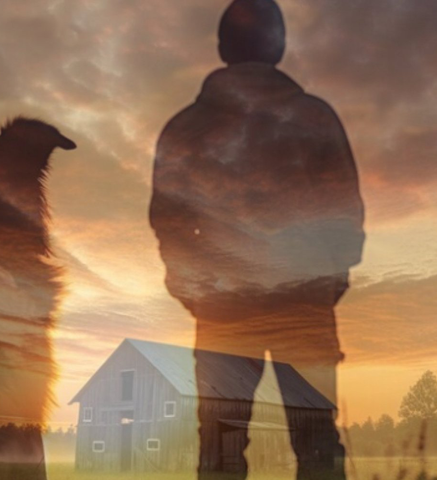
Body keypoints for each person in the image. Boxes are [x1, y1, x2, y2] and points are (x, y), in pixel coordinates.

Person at [149, 0, 365, 478]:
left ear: (222, 48)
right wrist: (328, 283)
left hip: (223, 307)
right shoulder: (315, 118)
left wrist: (192, 289)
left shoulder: (185, 128)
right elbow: (345, 214)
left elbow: (168, 221)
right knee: (317, 447)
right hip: (302, 302)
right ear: (280, 46)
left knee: (220, 453)